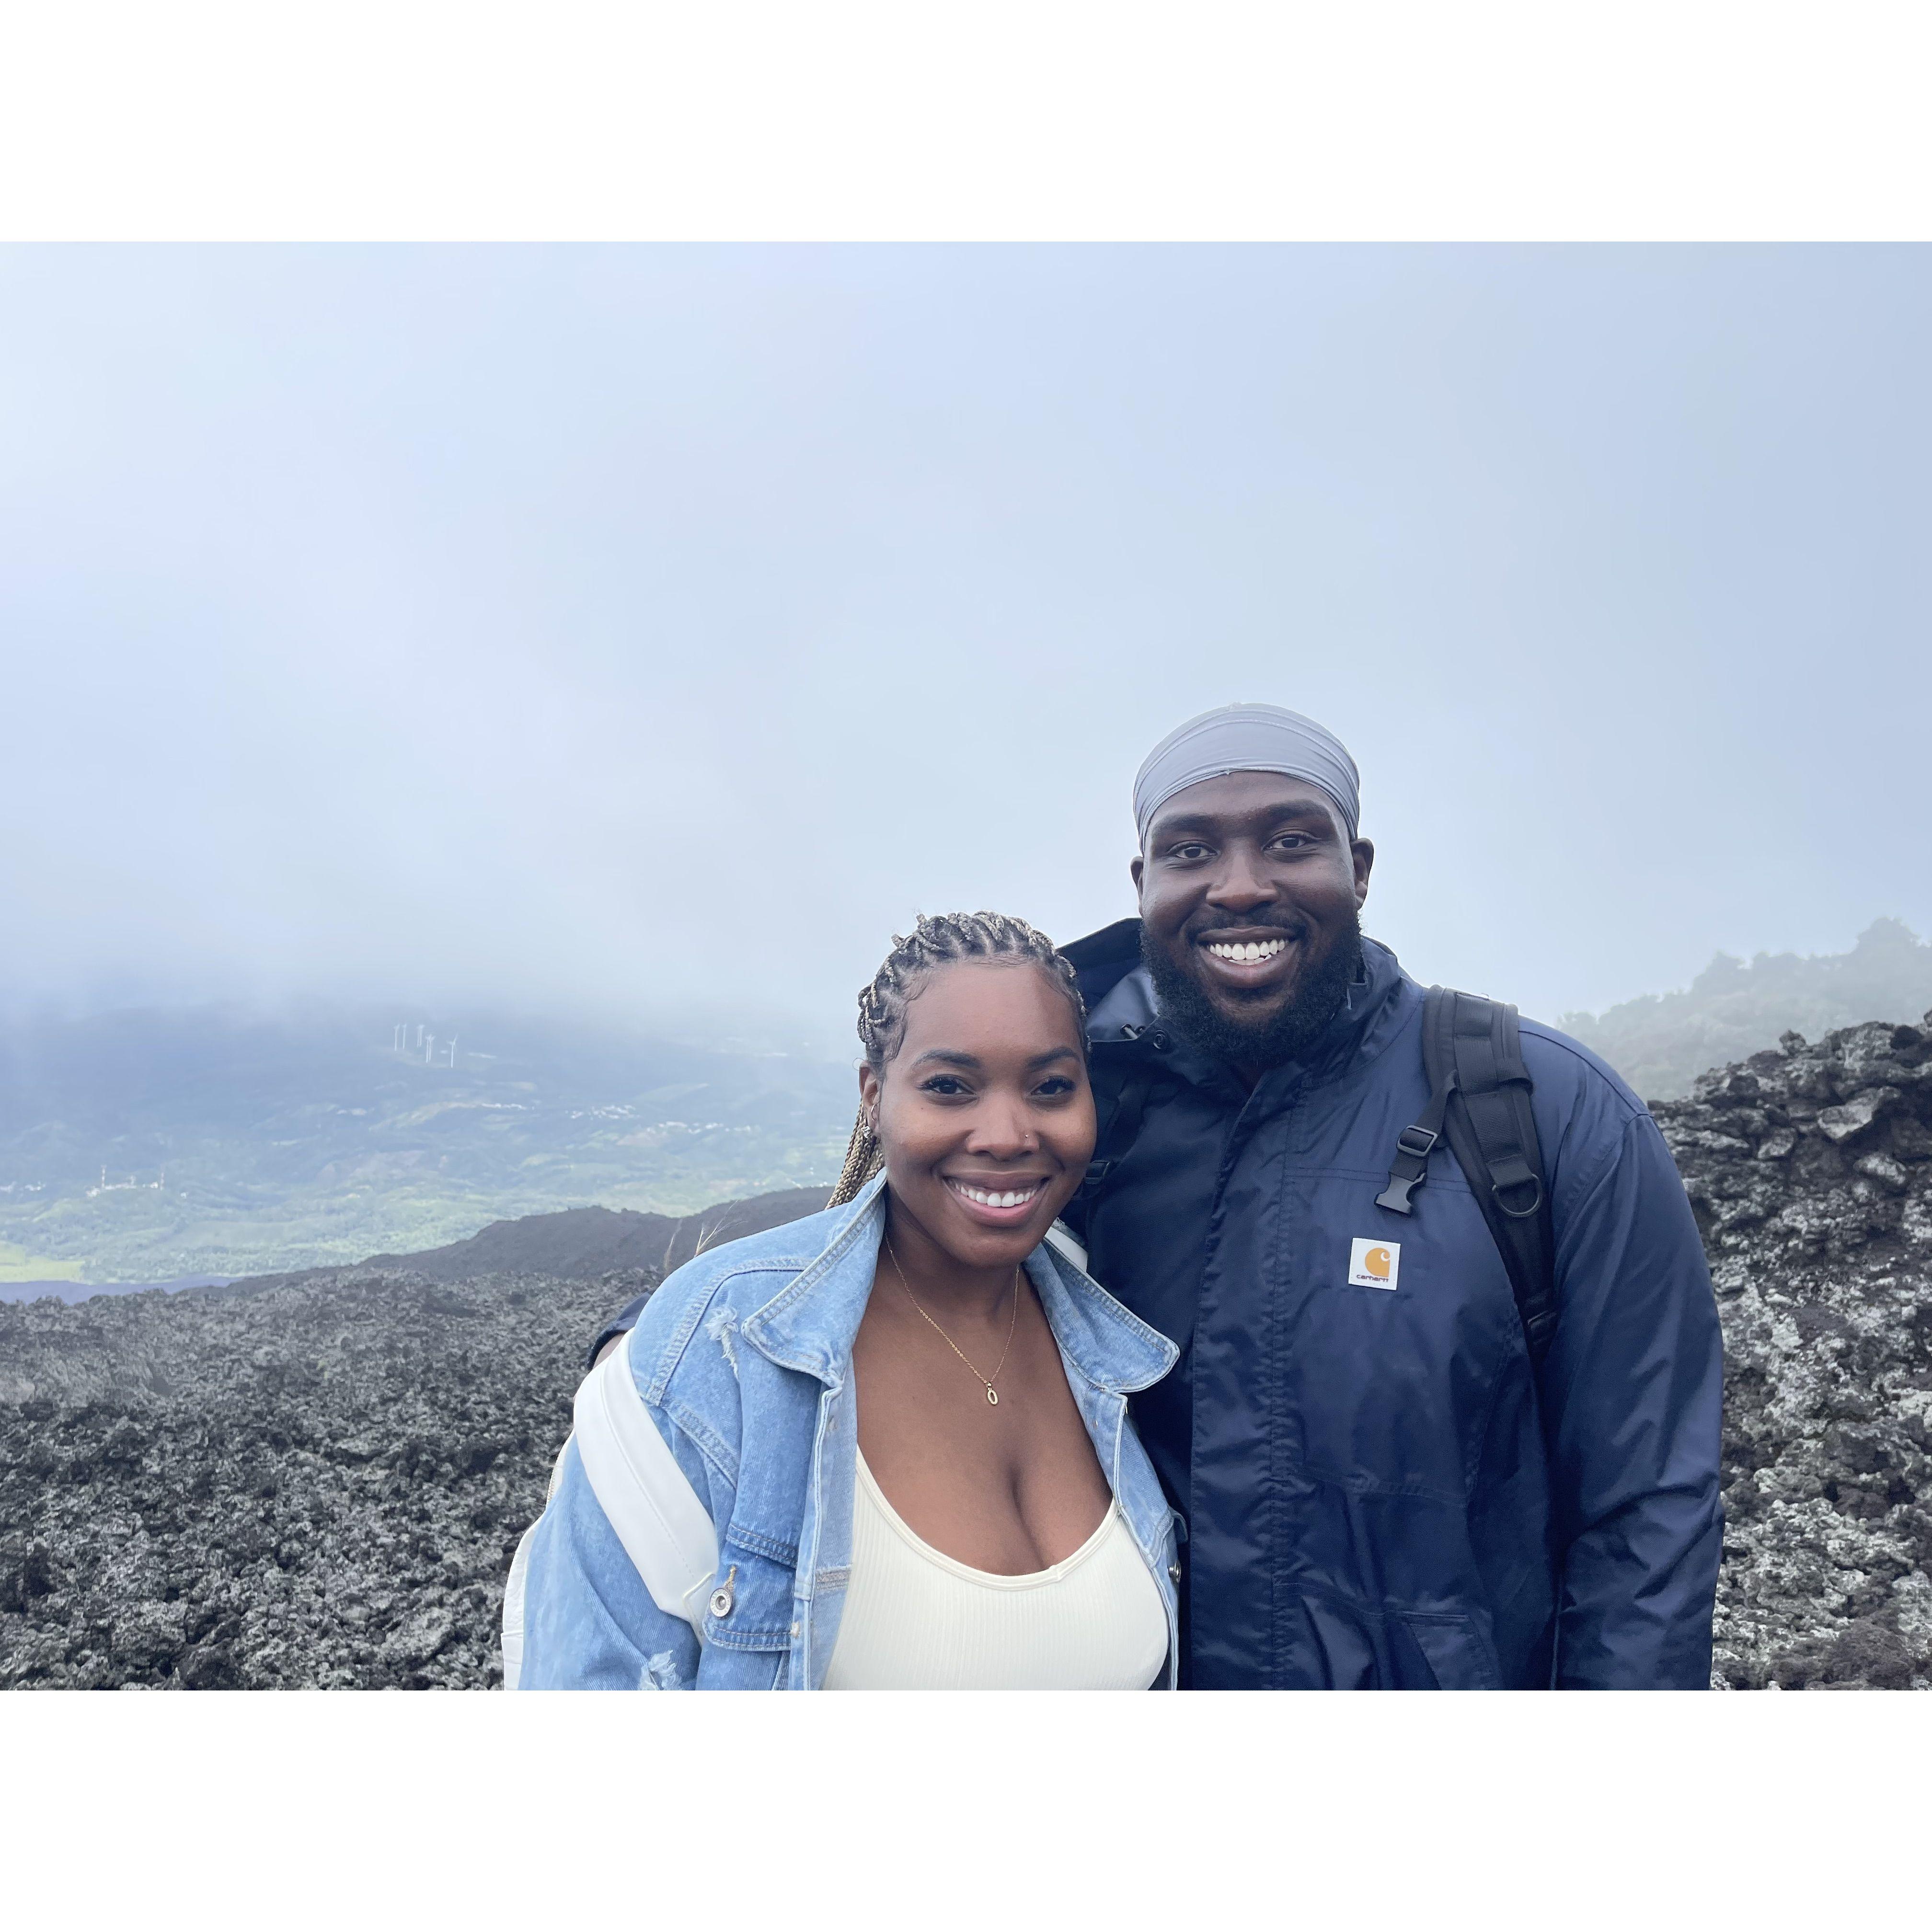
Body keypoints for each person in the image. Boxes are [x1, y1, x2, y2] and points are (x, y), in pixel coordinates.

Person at [1054, 702, 1725, 1688]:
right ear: (1144, 883)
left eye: (1291, 840)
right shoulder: (1079, 1129)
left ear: (1358, 870)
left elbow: (1649, 1504)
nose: (1239, 886)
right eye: (1190, 851)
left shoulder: (1546, 1110)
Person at [506, 912, 1183, 1690]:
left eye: (1051, 1087)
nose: (1006, 1133)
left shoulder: (1113, 1343)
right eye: (950, 1088)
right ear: (873, 1097)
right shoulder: (713, 1359)